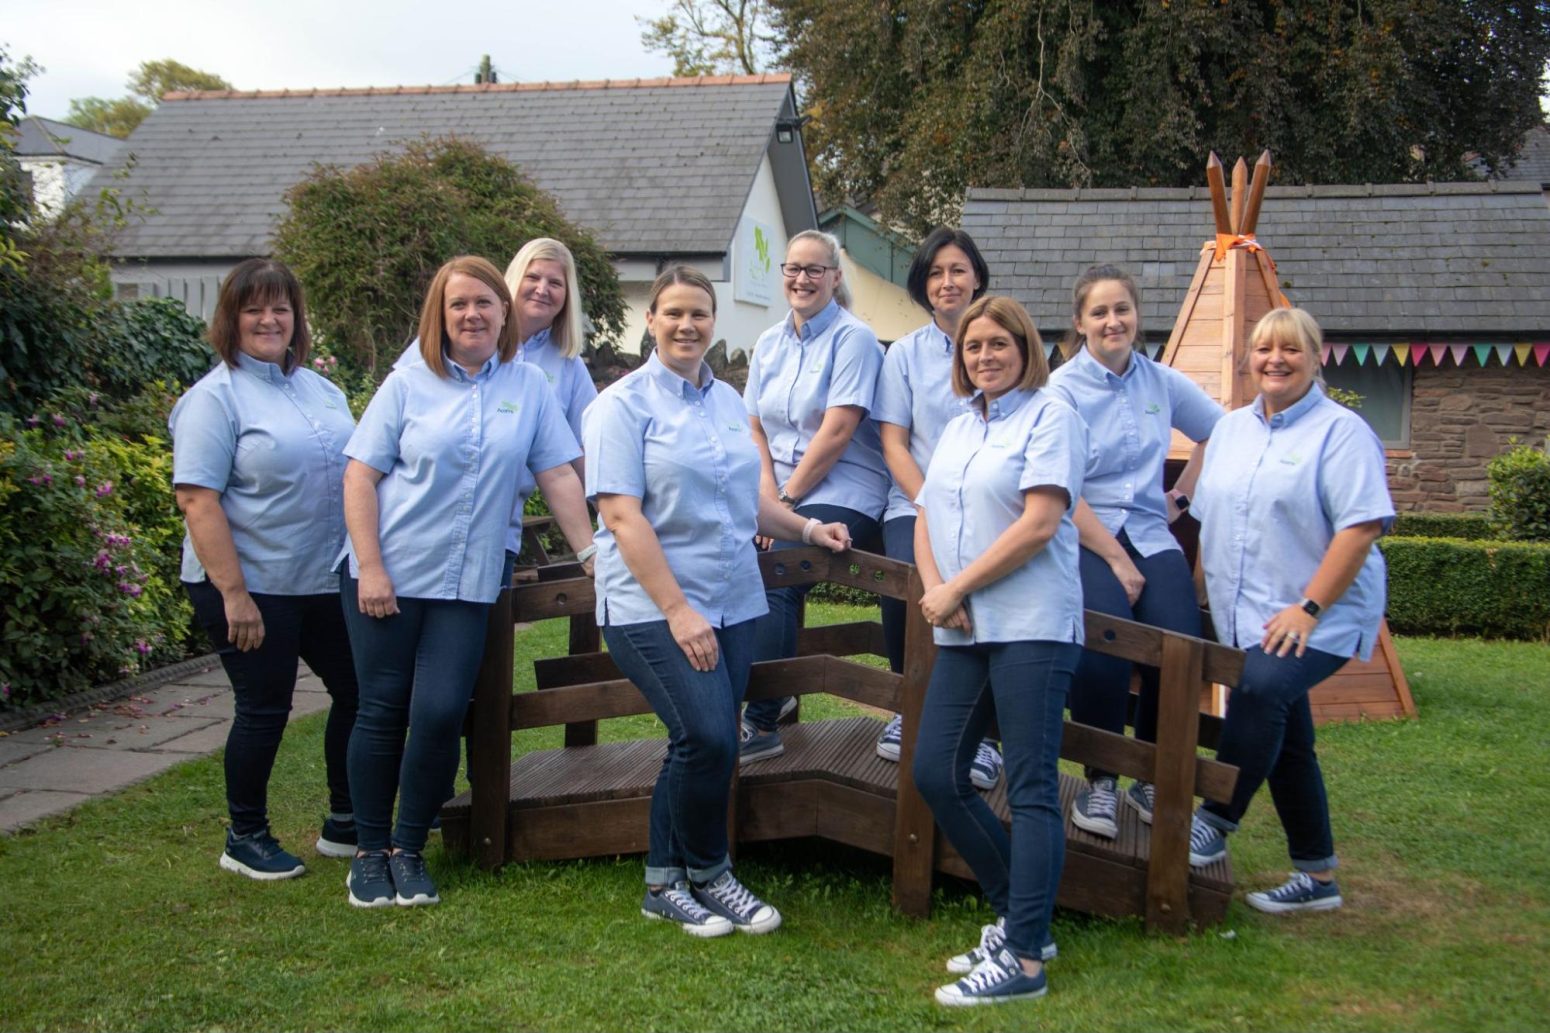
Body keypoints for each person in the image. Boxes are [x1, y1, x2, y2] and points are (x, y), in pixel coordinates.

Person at [586, 266, 852, 936]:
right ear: (650, 320)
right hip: (655, 605)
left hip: (735, 598)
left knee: (700, 744)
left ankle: (663, 881)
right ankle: (711, 872)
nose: (686, 325)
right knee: (707, 735)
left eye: (699, 314)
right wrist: (678, 609)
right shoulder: (620, 407)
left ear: (714, 321)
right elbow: (621, 517)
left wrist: (806, 526)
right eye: (672, 312)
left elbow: (750, 498)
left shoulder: (728, 403)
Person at [339, 256, 595, 909]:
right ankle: (369, 854)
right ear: (440, 315)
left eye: (484, 302)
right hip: (388, 574)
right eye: (458, 305)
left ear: (503, 312)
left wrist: (592, 551)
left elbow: (559, 474)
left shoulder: (530, 386)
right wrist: (369, 565)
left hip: (468, 579)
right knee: (382, 709)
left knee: (441, 711)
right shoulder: (407, 384)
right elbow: (360, 476)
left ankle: (408, 846)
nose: (472, 314)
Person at [911, 296, 1088, 1006]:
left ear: (1026, 348)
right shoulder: (959, 425)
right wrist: (937, 591)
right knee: (935, 771)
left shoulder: (1052, 415)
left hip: (1031, 625)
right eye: (973, 346)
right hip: (962, 626)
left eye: (998, 344)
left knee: (1032, 784)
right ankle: (1025, 916)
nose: (984, 355)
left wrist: (957, 585)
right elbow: (925, 513)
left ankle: (1023, 961)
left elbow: (1041, 522)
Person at [1187, 306, 1393, 914]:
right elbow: (1209, 521)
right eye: (1264, 349)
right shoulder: (1230, 431)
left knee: (1260, 690)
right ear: (1248, 359)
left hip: (1320, 615)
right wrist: (1200, 598)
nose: (1276, 360)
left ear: (1315, 356)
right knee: (1288, 738)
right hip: (1246, 613)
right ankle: (1318, 876)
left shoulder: (1342, 433)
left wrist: (1308, 607)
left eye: (1291, 349)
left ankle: (1216, 818)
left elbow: (1360, 529)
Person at [170, 257, 360, 880]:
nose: (269, 319)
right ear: (231, 318)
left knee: (359, 691)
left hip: (322, 579)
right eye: (254, 308)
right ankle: (245, 835)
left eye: (281, 308)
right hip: (251, 587)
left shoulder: (319, 388)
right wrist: (235, 595)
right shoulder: (213, 399)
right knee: (265, 707)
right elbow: (198, 499)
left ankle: (346, 819)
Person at [1047, 265, 1223, 839]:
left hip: (1149, 532)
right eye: (1099, 312)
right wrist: (1117, 561)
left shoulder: (1162, 382)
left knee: (1180, 645)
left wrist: (1182, 498)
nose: (1112, 321)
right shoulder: (1062, 390)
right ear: (1080, 322)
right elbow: (1060, 488)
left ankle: (1150, 771)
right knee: (1105, 642)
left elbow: (1219, 433)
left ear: (1137, 317)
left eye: (1122, 309)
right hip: (1084, 536)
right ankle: (1101, 782)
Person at [740, 229, 888, 763]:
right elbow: (754, 427)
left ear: (835, 277)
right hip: (776, 489)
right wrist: (765, 498)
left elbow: (839, 430)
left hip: (846, 487)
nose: (802, 279)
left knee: (780, 568)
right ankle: (737, 698)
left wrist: (780, 505)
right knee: (723, 560)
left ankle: (761, 720)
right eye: (792, 269)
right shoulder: (769, 344)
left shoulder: (855, 340)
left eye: (814, 270)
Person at [872, 227, 1003, 788]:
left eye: (956, 270)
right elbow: (894, 441)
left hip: (992, 506)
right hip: (915, 499)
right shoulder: (903, 355)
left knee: (993, 595)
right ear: (922, 286)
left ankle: (988, 736)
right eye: (935, 273)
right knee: (906, 587)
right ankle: (910, 705)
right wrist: (931, 502)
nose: (947, 282)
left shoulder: (1001, 342)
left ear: (977, 276)